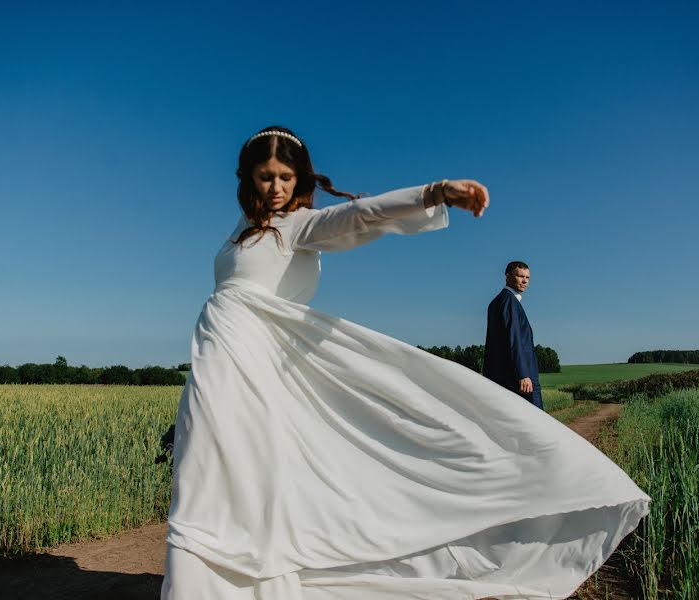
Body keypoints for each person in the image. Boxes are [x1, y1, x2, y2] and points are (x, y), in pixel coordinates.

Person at [162, 126, 649, 599]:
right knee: (204, 463)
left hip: (256, 363)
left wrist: (434, 193)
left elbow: (360, 215)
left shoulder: (300, 226)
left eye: (286, 178)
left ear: (300, 181)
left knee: (226, 466)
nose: (275, 188)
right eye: (265, 177)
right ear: (247, 177)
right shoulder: (242, 230)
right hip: (216, 353)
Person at [483, 261, 544, 409]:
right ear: (507, 277)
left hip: (505, 377)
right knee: (534, 422)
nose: (524, 281)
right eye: (520, 276)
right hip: (519, 379)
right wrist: (523, 374)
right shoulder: (509, 301)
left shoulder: (497, 302)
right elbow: (514, 339)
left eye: (527, 278)